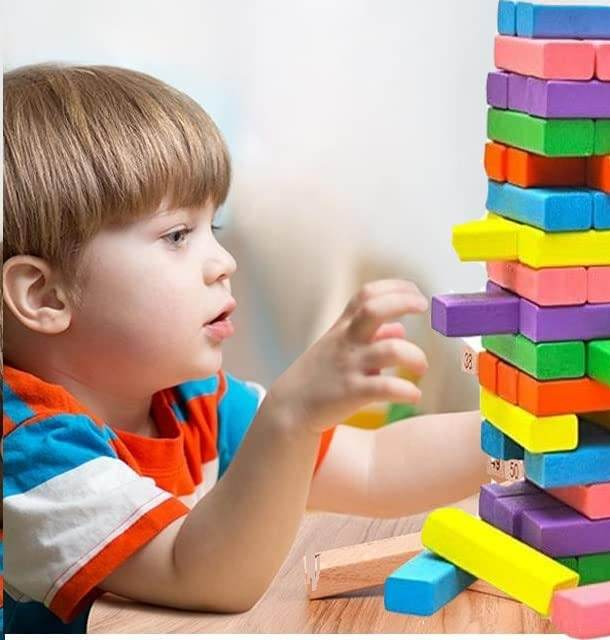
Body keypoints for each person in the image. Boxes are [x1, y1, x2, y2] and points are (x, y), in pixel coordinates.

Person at [1, 63, 486, 633]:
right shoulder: (30, 450)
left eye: (216, 230)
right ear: (45, 295)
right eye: (178, 235)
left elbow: (376, 466)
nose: (223, 263)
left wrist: (531, 429)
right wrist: (291, 414)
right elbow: (202, 574)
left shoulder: (194, 401)